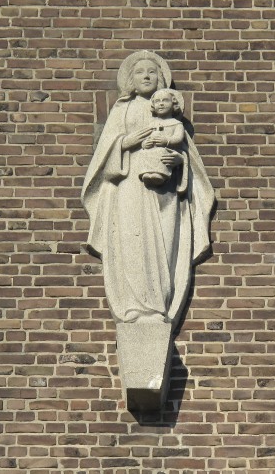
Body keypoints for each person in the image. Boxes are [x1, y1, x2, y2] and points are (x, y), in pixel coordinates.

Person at [81, 51, 215, 325]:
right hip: (129, 186)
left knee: (165, 243)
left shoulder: (173, 119)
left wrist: (179, 161)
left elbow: (188, 156)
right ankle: (134, 305)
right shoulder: (123, 109)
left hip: (164, 191)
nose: (146, 76)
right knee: (131, 239)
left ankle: (158, 304)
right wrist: (127, 142)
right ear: (130, 79)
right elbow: (104, 159)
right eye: (140, 72)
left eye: (152, 72)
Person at [137, 88, 187, 188]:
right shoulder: (151, 124)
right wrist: (145, 144)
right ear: (153, 106)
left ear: (173, 104)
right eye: (157, 101)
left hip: (166, 149)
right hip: (152, 149)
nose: (161, 104)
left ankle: (160, 174)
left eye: (165, 100)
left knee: (161, 153)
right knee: (143, 153)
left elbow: (178, 138)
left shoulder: (176, 124)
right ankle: (147, 173)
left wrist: (166, 141)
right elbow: (145, 139)